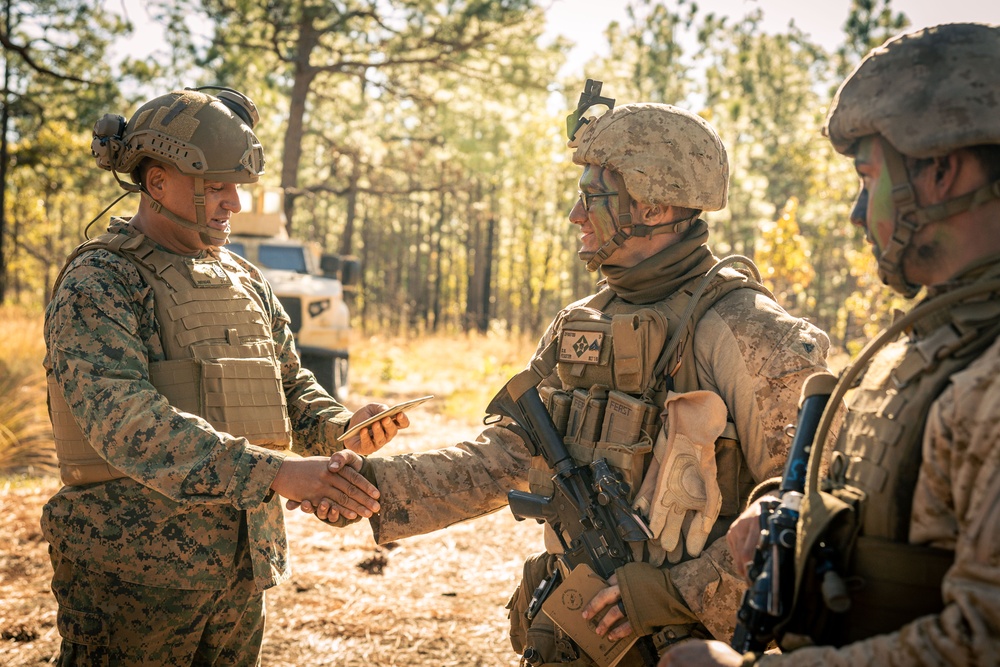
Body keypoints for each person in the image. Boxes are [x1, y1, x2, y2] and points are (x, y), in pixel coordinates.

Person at [304, 93, 833, 664]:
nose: (576, 216)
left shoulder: (751, 333)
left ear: (654, 207)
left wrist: (668, 595)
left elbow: (807, 513)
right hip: (571, 638)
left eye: (593, 198)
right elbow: (506, 456)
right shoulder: (583, 323)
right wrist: (372, 484)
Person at [659, 22, 1000, 667]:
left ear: (941, 172)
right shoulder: (922, 344)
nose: (855, 211)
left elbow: (982, 641)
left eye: (869, 178)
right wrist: (775, 509)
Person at [42, 86, 406, 665]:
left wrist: (342, 428)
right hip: (133, 577)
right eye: (215, 185)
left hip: (240, 569)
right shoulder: (100, 281)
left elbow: (288, 387)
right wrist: (279, 472)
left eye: (236, 184)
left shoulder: (243, 277)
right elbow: (125, 423)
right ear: (156, 181)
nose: (234, 202)